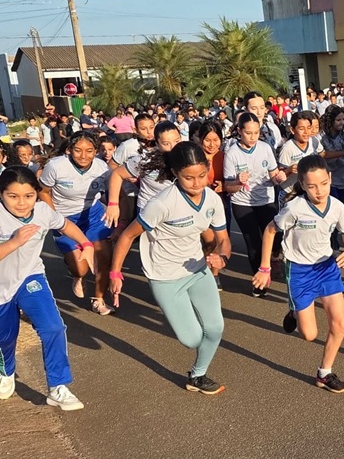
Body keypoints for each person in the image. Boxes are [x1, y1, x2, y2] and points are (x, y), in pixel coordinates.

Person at [109, 142, 231, 395]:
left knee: (215, 328)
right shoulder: (162, 203)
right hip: (165, 276)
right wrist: (116, 273)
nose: (197, 183)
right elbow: (127, 236)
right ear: (175, 173)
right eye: (189, 178)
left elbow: (223, 238)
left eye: (201, 176)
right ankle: (196, 364)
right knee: (192, 339)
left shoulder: (212, 200)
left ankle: (197, 375)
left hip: (197, 270)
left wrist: (223, 257)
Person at [252, 155, 344, 393]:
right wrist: (265, 267)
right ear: (301, 184)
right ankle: (295, 310)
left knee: (339, 324)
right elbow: (270, 230)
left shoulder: (338, 207)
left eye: (323, 184)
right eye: (311, 186)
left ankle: (324, 373)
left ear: (330, 178)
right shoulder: (295, 208)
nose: (319, 191)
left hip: (327, 268)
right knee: (309, 335)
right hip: (299, 271)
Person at [0, 167, 93, 410]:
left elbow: (64, 225)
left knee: (53, 326)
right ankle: (6, 370)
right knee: (5, 338)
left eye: (28, 196)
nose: (21, 203)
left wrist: (85, 242)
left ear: (36, 194)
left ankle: (58, 387)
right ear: (1, 194)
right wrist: (13, 242)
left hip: (30, 277)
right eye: (13, 196)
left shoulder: (42, 211)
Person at [38, 131, 115, 315]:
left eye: (89, 151)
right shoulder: (56, 167)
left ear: (95, 151)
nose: (83, 155)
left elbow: (112, 187)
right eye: (78, 150)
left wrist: (113, 205)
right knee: (81, 267)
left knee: (104, 259)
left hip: (94, 215)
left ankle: (99, 299)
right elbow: (43, 191)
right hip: (65, 218)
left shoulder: (101, 167)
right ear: (69, 150)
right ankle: (77, 276)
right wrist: (55, 217)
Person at [223, 113, 288, 296]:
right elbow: (229, 187)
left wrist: (278, 178)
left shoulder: (265, 148)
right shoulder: (232, 153)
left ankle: (274, 257)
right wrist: (237, 181)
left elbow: (274, 174)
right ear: (239, 131)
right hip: (242, 203)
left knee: (276, 236)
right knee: (253, 243)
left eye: (256, 132)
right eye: (248, 133)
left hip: (266, 200)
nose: (253, 137)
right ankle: (259, 281)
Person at [196, 122, 230, 289]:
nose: (212, 144)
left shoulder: (226, 156)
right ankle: (200, 269)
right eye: (207, 140)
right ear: (200, 139)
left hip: (221, 203)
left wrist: (224, 185)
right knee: (204, 240)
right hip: (199, 204)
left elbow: (232, 179)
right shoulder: (196, 157)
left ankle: (214, 274)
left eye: (215, 139)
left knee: (219, 238)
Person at [278, 111, 322, 196]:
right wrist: (289, 170)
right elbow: (280, 175)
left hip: (308, 191)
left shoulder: (314, 142)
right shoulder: (287, 148)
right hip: (290, 192)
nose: (306, 132)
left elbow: (323, 154)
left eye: (309, 128)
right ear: (292, 130)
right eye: (301, 129)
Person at [319, 105, 344, 208]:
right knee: (332, 207)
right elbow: (323, 154)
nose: (342, 122)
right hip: (328, 178)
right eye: (338, 120)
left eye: (343, 119)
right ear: (330, 120)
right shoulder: (322, 136)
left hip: (343, 177)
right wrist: (343, 153)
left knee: (343, 208)